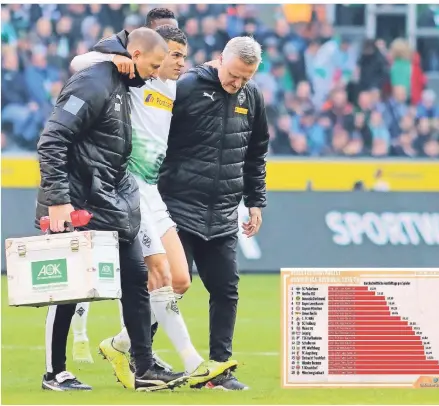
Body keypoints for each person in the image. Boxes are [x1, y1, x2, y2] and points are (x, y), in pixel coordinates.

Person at [70, 17, 238, 390]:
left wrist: (220, 66)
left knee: (179, 280)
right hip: (128, 186)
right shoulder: (132, 80)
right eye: (175, 56)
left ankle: (119, 344)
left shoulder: (176, 86)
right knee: (159, 275)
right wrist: (114, 60)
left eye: (184, 56)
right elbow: (78, 65)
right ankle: (194, 364)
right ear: (154, 56)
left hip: (153, 190)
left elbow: (209, 73)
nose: (181, 62)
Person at [35, 27, 185, 392]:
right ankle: (55, 373)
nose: (153, 74)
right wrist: (58, 200)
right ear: (133, 55)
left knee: (136, 280)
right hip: (79, 202)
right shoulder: (94, 82)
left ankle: (144, 369)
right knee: (70, 288)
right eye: (152, 65)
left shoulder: (121, 84)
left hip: (115, 200)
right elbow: (52, 139)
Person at [158, 36, 270, 390]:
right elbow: (154, 138)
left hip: (222, 211)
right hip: (176, 206)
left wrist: (255, 201)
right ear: (220, 59)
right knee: (171, 287)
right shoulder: (186, 86)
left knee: (226, 289)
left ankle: (220, 370)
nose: (237, 84)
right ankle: (139, 358)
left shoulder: (252, 98)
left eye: (246, 78)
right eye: (234, 75)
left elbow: (256, 153)